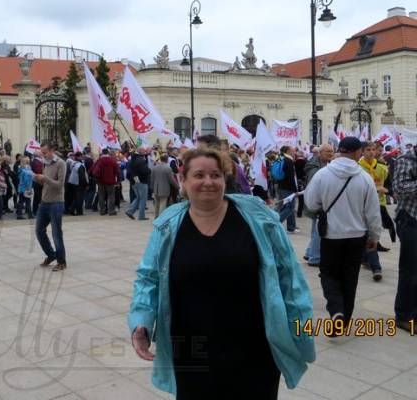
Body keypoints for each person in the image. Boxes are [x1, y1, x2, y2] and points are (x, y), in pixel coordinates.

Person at [129, 149, 314, 399]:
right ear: (183, 181)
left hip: (253, 348)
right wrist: (141, 321)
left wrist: (299, 328)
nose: (208, 181)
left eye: (215, 175)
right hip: (190, 350)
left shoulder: (259, 220)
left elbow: (290, 277)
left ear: (225, 179)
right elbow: (148, 278)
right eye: (199, 175)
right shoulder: (167, 226)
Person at [305, 137, 382, 329]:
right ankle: (344, 318)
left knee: (329, 273)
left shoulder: (323, 174)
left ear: (340, 150)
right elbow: (373, 212)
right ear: (357, 152)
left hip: (331, 234)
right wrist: (375, 236)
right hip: (357, 236)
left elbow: (311, 202)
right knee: (350, 276)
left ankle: (336, 309)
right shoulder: (364, 178)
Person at [392, 143, 417, 333]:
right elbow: (398, 189)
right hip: (410, 221)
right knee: (410, 271)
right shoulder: (405, 160)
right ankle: (404, 316)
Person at [34, 141, 67, 272]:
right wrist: (38, 179)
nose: (43, 155)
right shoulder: (45, 163)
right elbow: (47, 183)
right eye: (42, 153)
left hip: (56, 203)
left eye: (45, 152)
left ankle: (61, 261)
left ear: (52, 150)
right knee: (39, 231)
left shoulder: (61, 163)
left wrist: (45, 179)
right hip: (44, 201)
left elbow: (60, 184)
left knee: (56, 233)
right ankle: (51, 255)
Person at [358, 142, 387, 281]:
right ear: (362, 152)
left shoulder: (381, 167)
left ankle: (370, 262)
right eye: (368, 149)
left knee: (371, 234)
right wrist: (376, 189)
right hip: (361, 206)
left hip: (378, 204)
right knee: (367, 235)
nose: (371, 152)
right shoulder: (358, 168)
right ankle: (376, 266)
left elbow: (387, 183)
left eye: (373, 149)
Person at [303, 143, 334, 266]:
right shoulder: (315, 168)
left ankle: (309, 252)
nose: (330, 154)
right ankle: (315, 258)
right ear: (320, 153)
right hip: (318, 204)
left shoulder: (324, 165)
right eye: (327, 152)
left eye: (331, 151)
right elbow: (314, 188)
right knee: (318, 232)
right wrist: (319, 205)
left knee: (316, 230)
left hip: (320, 204)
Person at [275, 145, 298, 233]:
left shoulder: (279, 158)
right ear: (288, 151)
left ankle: (291, 227)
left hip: (280, 186)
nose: (294, 152)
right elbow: (290, 177)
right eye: (293, 150)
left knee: (283, 206)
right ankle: (276, 223)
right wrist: (295, 190)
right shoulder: (288, 161)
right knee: (290, 207)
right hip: (288, 188)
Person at [126, 147, 151, 221]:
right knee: (143, 199)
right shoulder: (140, 160)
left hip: (133, 181)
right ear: (140, 152)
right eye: (144, 151)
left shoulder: (131, 160)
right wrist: (149, 170)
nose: (145, 151)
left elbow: (128, 172)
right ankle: (141, 216)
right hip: (142, 181)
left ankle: (130, 211)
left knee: (138, 197)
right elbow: (145, 171)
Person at [93, 148, 120, 216]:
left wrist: (96, 180)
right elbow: (118, 171)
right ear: (108, 153)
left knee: (101, 196)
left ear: (102, 153)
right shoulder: (112, 160)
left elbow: (94, 171)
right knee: (111, 196)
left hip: (100, 181)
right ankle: (111, 210)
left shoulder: (99, 161)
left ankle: (102, 210)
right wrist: (118, 180)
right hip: (110, 181)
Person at [68, 152, 88, 216]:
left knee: (76, 197)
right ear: (79, 157)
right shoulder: (80, 165)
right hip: (79, 183)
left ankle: (72, 209)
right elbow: (82, 176)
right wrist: (86, 184)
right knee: (80, 198)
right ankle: (79, 211)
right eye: (81, 156)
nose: (82, 157)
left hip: (73, 182)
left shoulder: (73, 163)